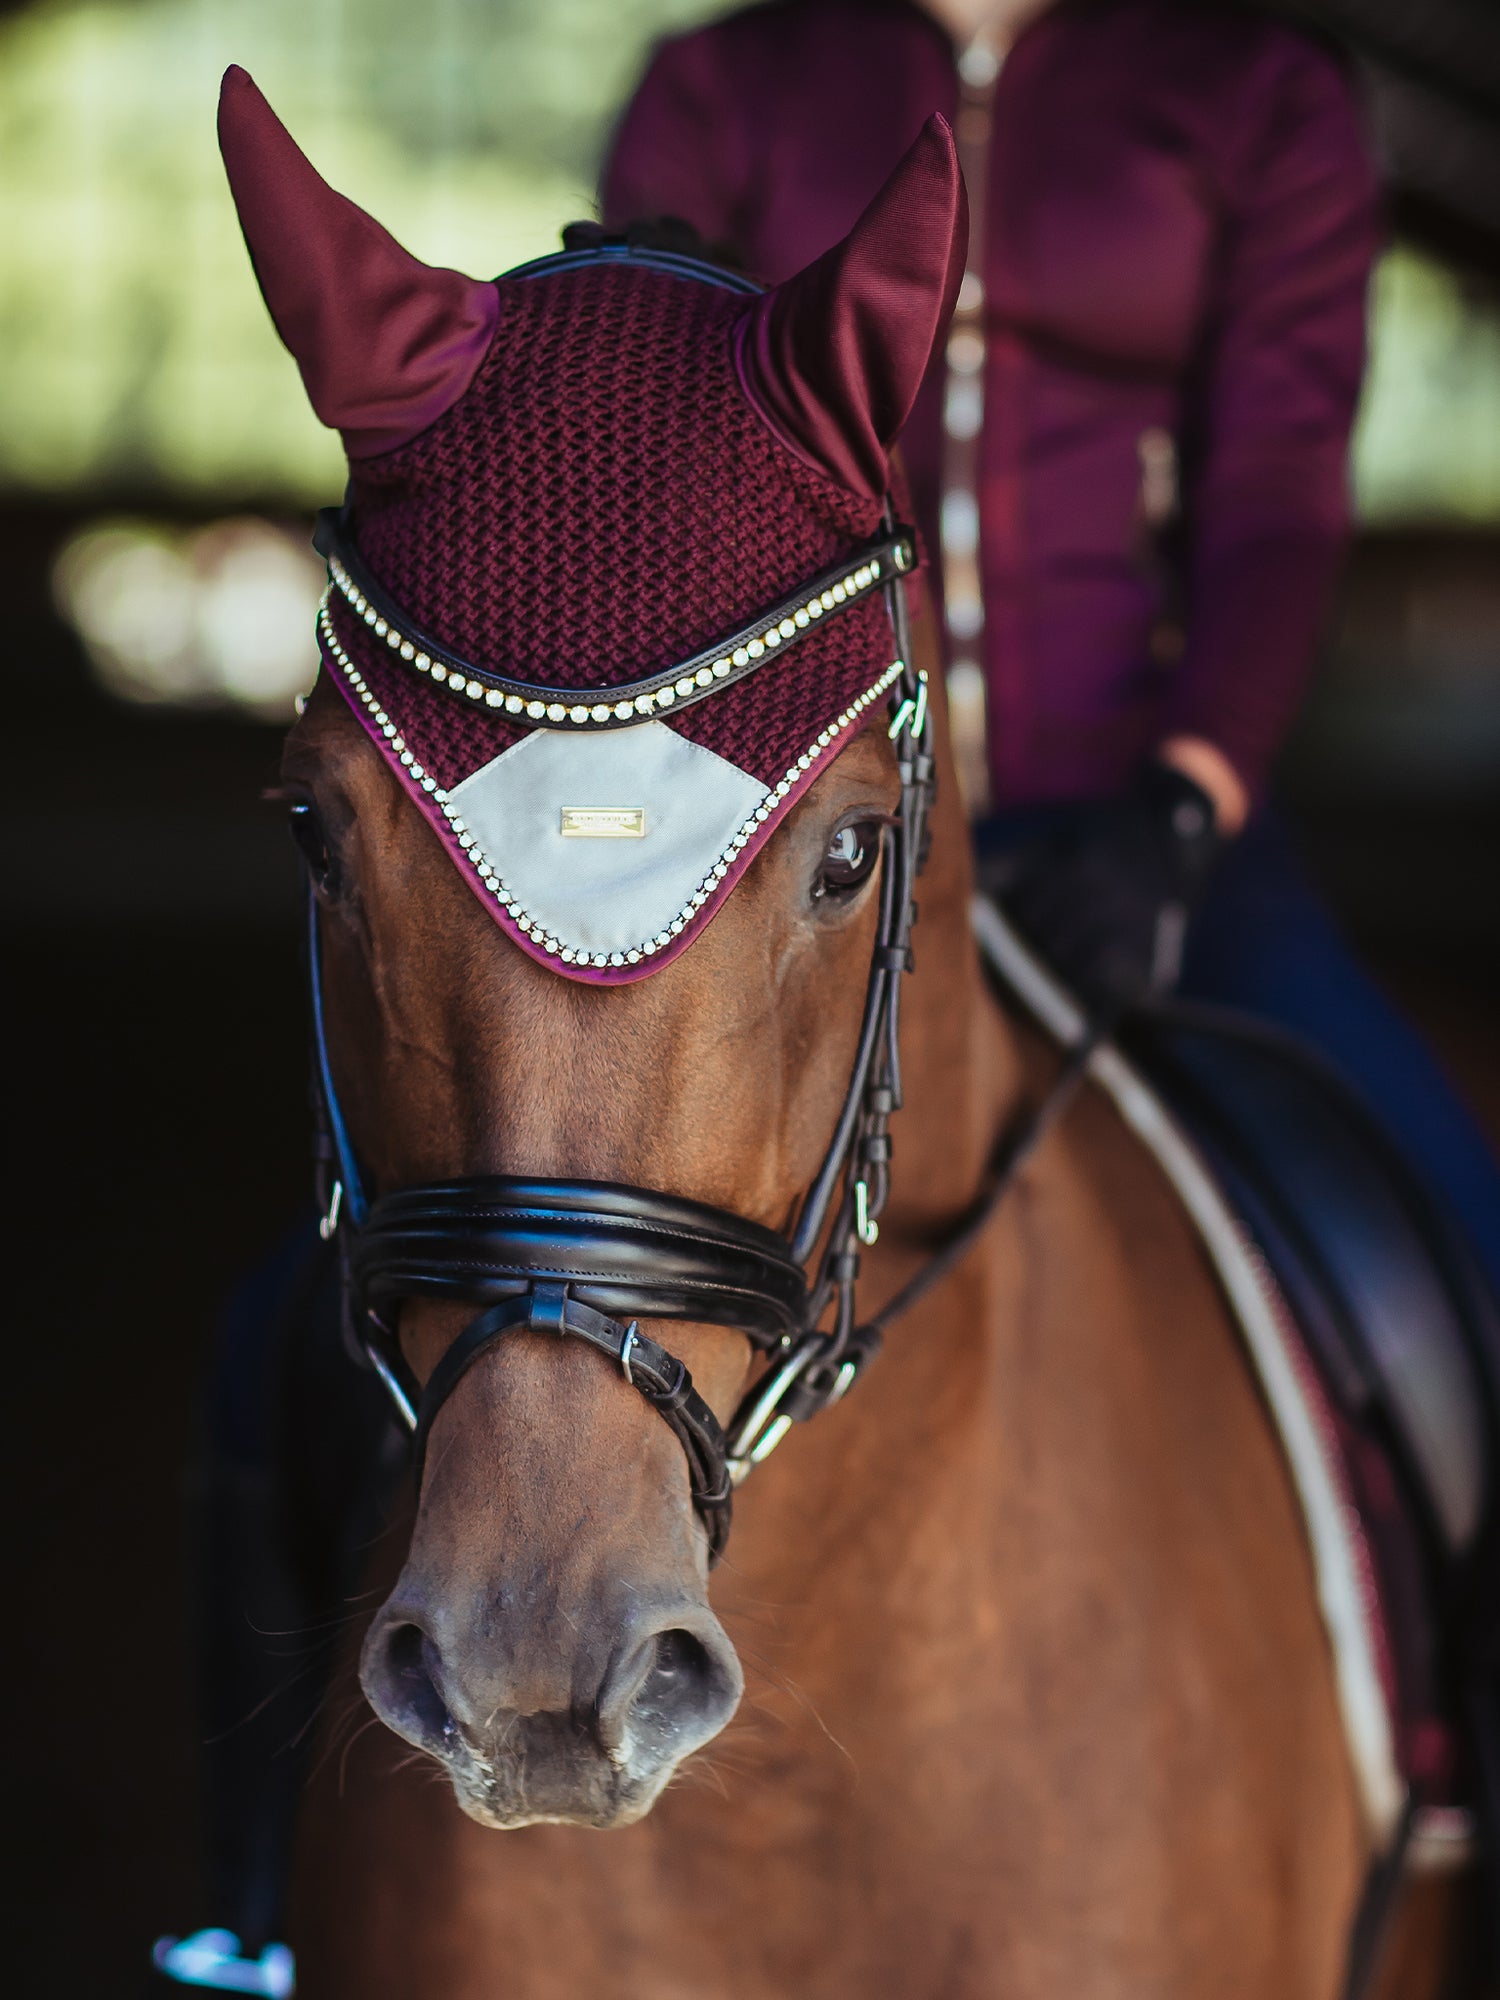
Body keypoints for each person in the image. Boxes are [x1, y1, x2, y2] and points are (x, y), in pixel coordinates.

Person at [603, 0, 1500, 1294]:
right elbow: (665, 456)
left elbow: (1277, 494)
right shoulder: (727, 82)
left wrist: (1185, 807)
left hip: (1145, 829)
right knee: (385, 1258)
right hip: (797, 833)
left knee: (1450, 1227)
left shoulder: (1256, 85)